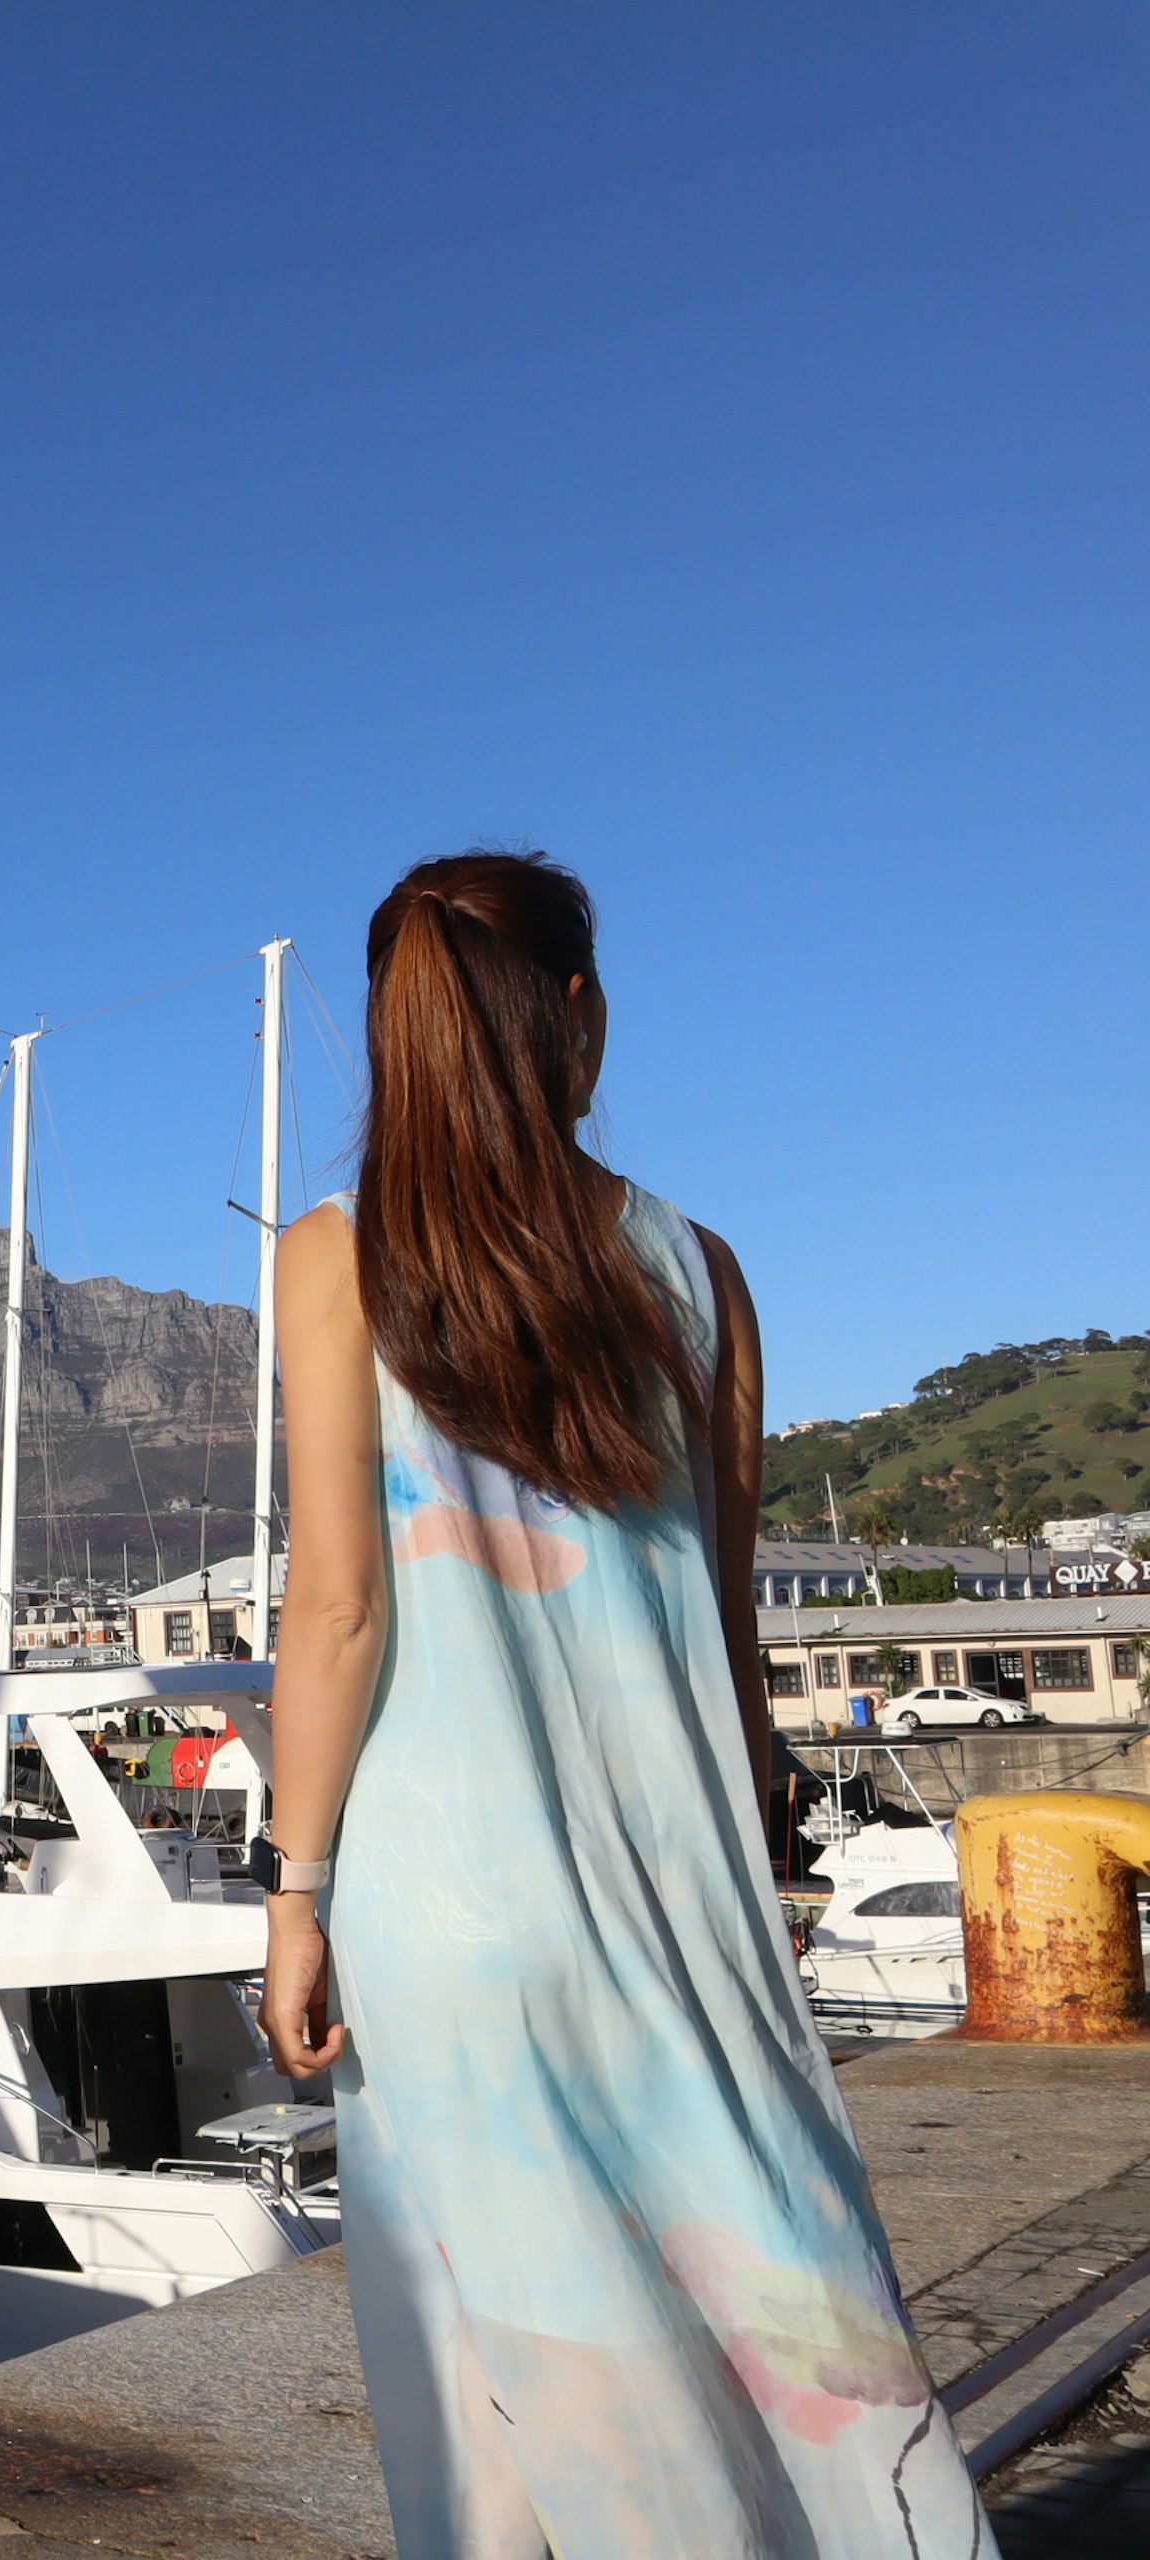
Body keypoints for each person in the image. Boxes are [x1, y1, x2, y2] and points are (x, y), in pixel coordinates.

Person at [253, 853, 984, 2558]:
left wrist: (296, 1894)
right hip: (676, 1895)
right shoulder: (701, 1271)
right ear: (578, 1013)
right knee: (791, 2322)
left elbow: (341, 1609)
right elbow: (725, 1642)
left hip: (443, 1918)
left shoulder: (335, 1258)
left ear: (395, 1040)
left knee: (489, 2365)